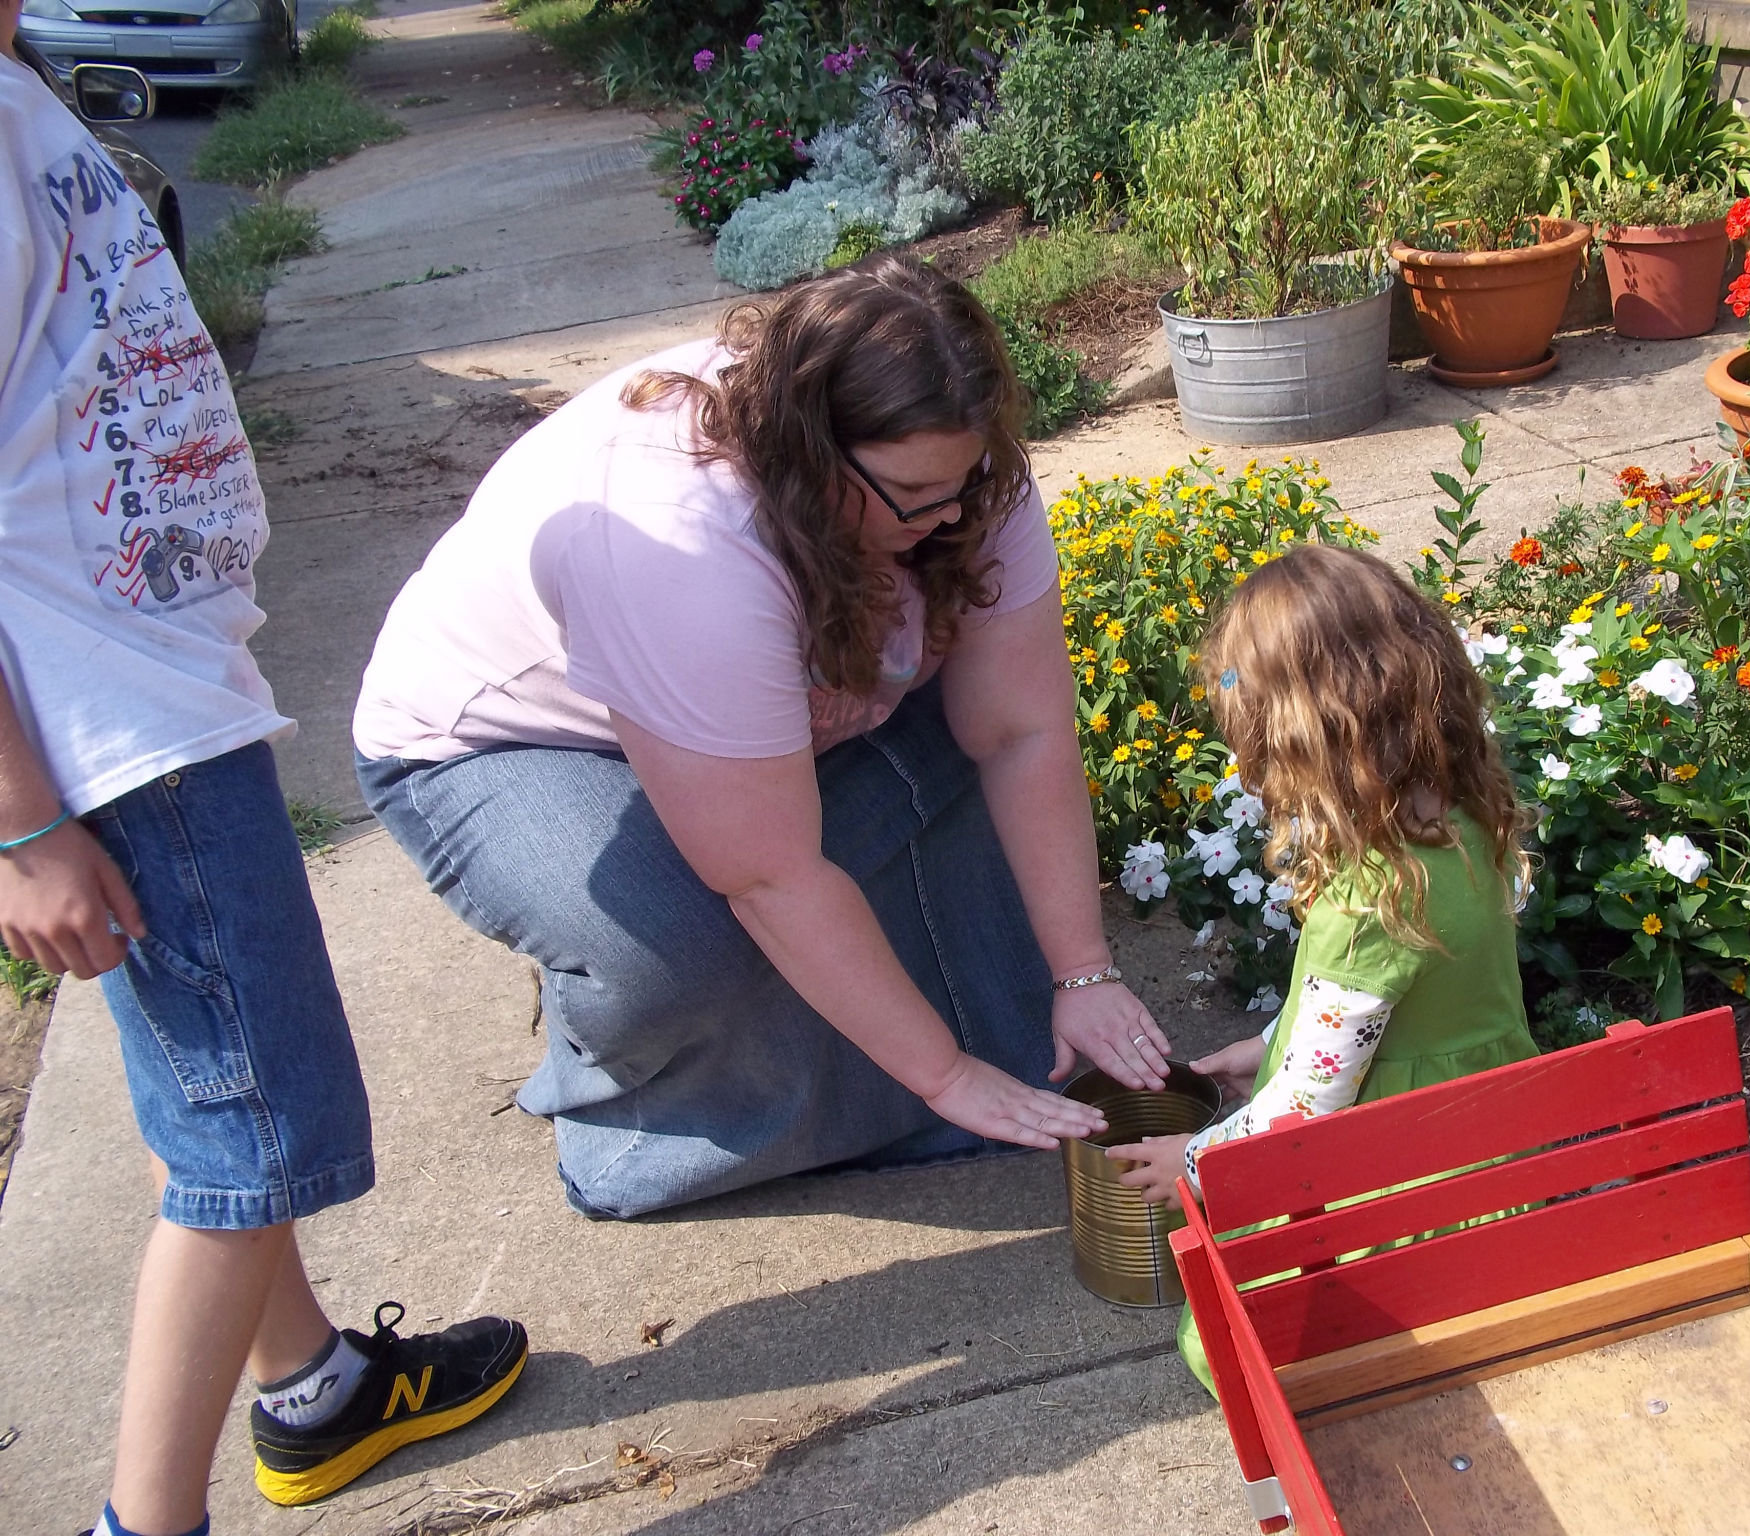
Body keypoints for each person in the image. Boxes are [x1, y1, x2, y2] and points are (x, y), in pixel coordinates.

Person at [0, 18, 526, 1534]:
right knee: (253, 1135)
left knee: (218, 1099)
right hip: (120, 734)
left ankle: (314, 1389)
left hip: (151, 695)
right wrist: (25, 824)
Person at [353, 257, 1169, 1218]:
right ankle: (624, 1113)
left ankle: (869, 1027)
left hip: (735, 697)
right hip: (504, 741)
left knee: (949, 769)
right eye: (916, 495)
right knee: (687, 939)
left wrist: (1084, 969)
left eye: (967, 481)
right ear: (815, 453)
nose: (952, 516)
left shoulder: (949, 472)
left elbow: (1020, 731)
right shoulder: (685, 551)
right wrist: (945, 1077)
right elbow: (769, 875)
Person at [1103, 543, 1539, 1389]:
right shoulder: (1460, 825)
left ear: (1304, 736)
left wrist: (1193, 1162)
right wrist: (1273, 1036)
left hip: (1402, 1173)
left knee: (1219, 1343)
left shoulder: (1372, 902)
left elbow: (1305, 1109)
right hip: (1486, 1136)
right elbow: (1395, 1005)